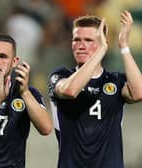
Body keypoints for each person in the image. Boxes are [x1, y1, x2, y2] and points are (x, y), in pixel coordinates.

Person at [48, 10, 142, 168]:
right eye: (76, 39)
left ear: (103, 42)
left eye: (89, 40)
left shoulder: (115, 80)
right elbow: (70, 90)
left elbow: (138, 93)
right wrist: (99, 52)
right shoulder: (60, 75)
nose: (81, 46)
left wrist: (124, 47)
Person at [0, 33, 52, 167]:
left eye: (2, 56)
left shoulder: (29, 93)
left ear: (15, 62)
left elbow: (46, 128)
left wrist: (25, 93)